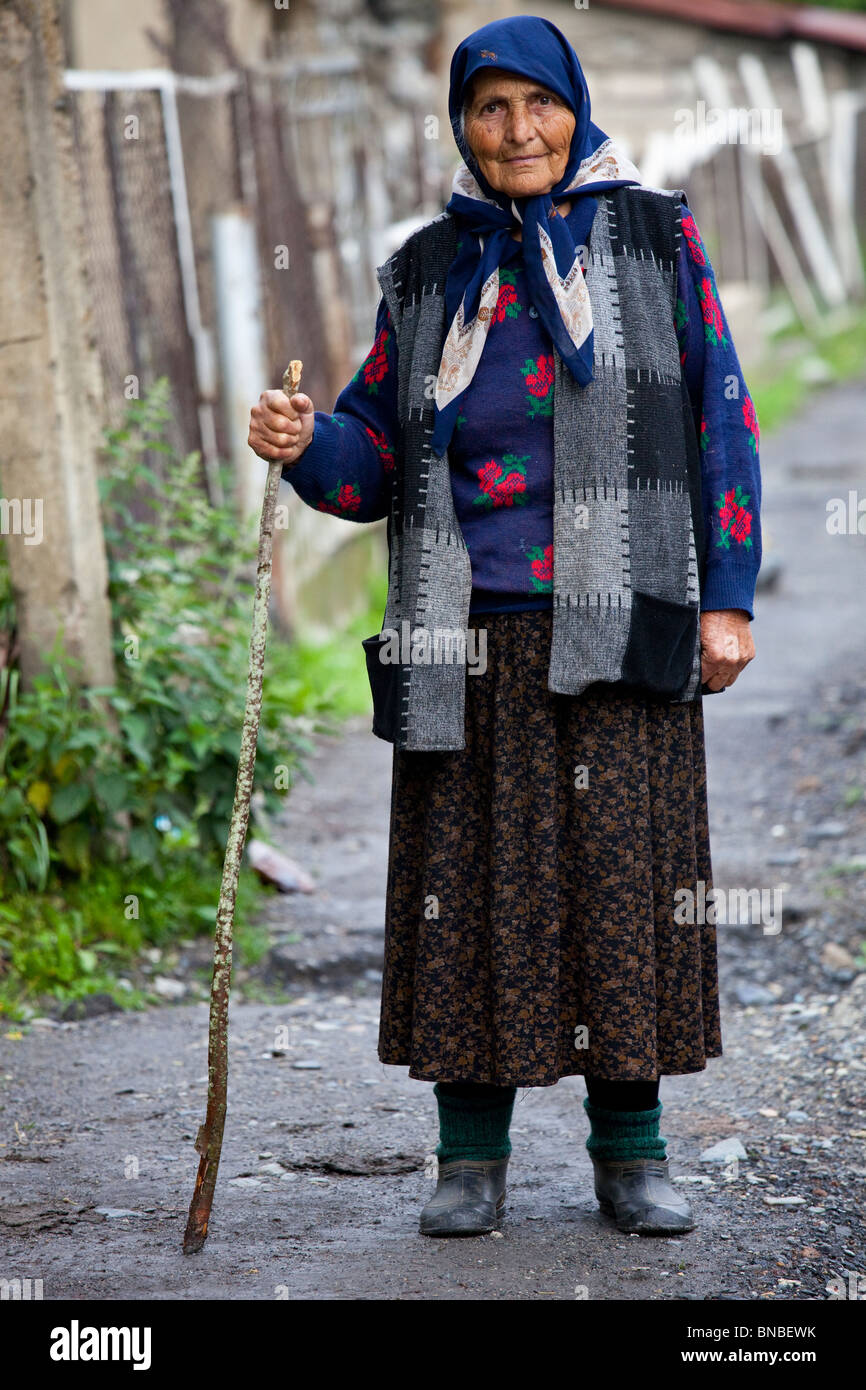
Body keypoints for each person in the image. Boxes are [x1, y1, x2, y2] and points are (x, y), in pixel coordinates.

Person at [248, 14, 759, 1238]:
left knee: (617, 894)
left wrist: (727, 598)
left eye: (538, 104)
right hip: (461, 642)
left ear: (574, 109)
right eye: (489, 107)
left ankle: (628, 1156)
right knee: (464, 897)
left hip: (620, 625)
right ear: (461, 125)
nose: (517, 130)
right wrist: (302, 444)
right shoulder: (428, 268)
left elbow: (720, 419)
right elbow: (370, 456)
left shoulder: (651, 232)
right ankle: (466, 1161)